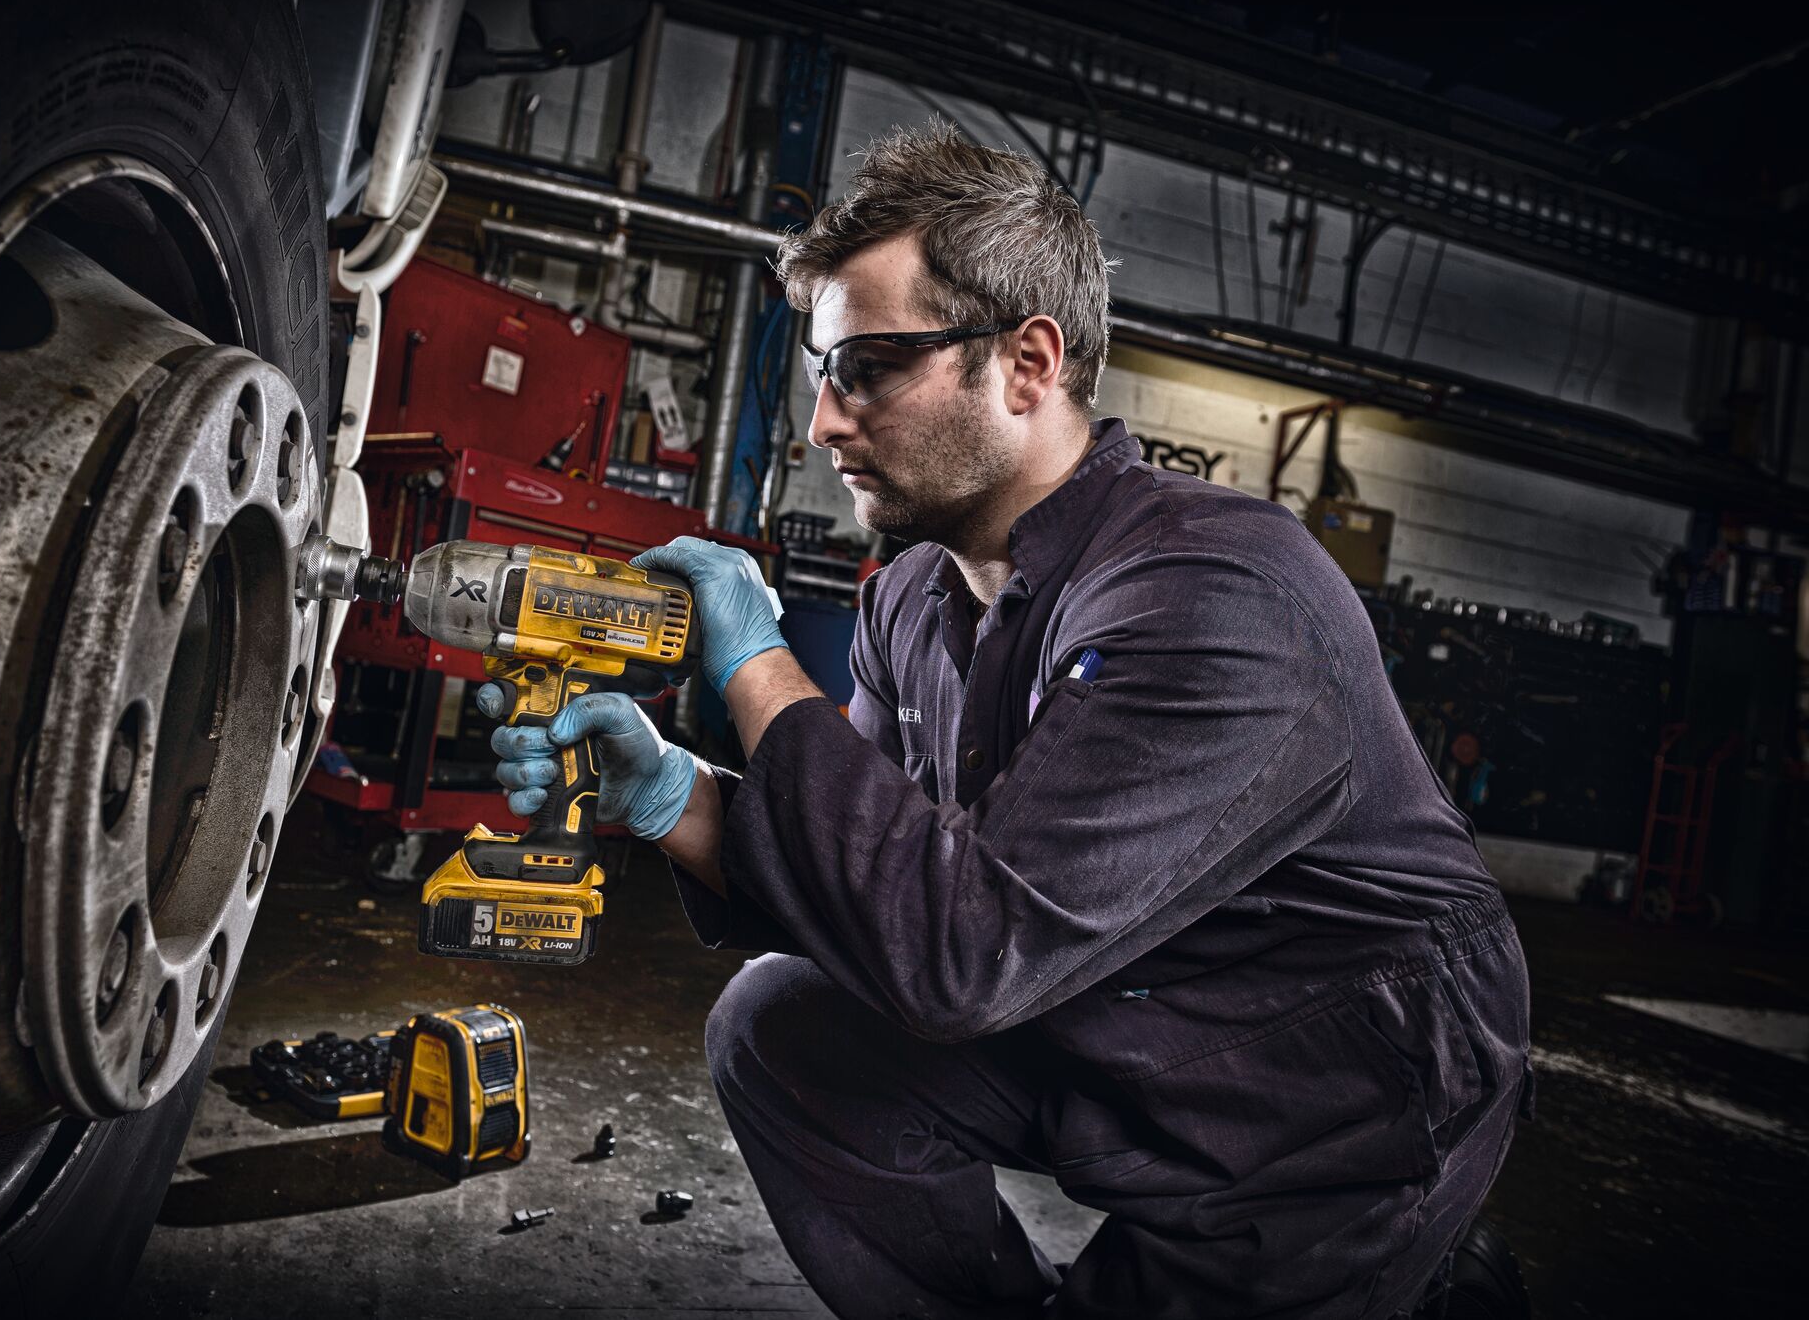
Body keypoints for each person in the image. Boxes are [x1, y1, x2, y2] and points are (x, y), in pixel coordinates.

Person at [478, 120, 1533, 1319]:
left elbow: (959, 956)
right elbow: (871, 895)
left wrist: (758, 665)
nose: (825, 423)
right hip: (1106, 1004)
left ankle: (1422, 1280)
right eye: (823, 371)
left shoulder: (1218, 595)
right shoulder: (918, 598)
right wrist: (676, 797)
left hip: (1325, 1095)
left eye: (867, 366)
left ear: (1026, 364)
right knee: (786, 1028)